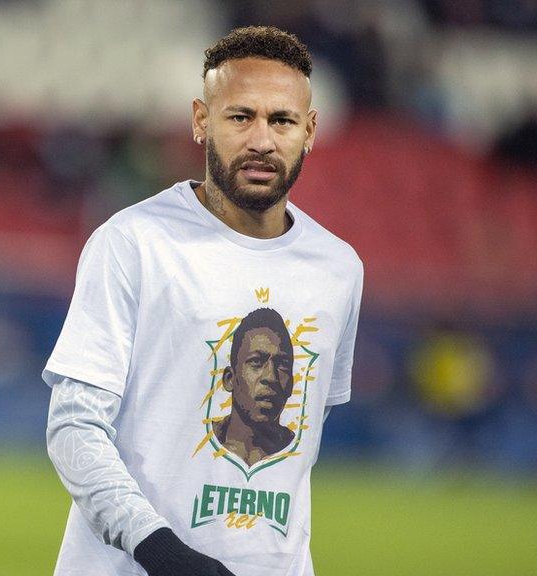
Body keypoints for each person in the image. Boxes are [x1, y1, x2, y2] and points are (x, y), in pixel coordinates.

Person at [44, 26, 363, 576]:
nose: (261, 139)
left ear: (310, 131)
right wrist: (160, 550)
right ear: (200, 120)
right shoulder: (133, 243)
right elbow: (74, 429)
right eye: (240, 117)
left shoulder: (338, 269)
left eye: (281, 120)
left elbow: (300, 450)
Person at [212, 308, 295, 466]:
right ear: (230, 379)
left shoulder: (297, 447)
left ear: (291, 384)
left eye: (282, 365)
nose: (270, 377)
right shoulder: (201, 439)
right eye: (256, 361)